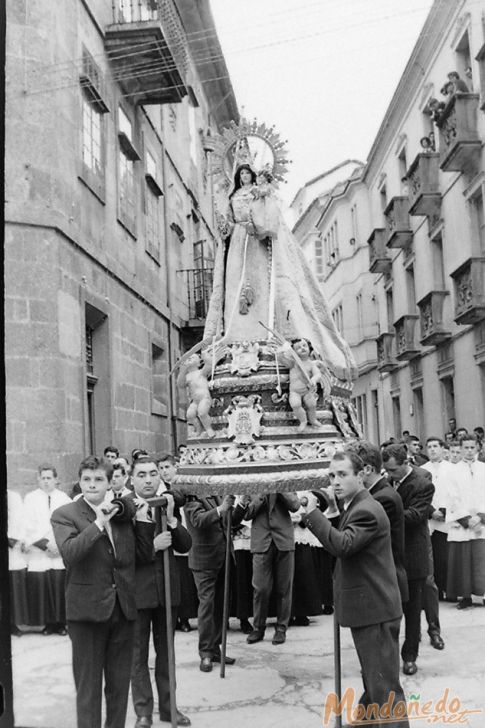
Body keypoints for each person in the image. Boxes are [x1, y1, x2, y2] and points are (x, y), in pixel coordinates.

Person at [204, 163, 356, 382]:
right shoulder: (233, 196)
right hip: (237, 244)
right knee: (236, 287)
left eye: (248, 173)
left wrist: (257, 222)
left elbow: (270, 217)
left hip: (257, 242)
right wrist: (225, 228)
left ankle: (262, 333)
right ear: (238, 177)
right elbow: (227, 223)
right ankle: (237, 335)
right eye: (242, 173)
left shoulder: (260, 193)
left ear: (253, 176)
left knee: (263, 285)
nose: (245, 176)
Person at [300, 451, 408, 728]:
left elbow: (342, 545)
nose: (335, 482)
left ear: (361, 475)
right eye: (332, 475)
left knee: (385, 690)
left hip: (376, 610)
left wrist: (312, 513)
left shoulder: (367, 510)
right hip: (370, 608)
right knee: (375, 681)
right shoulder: (355, 504)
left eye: (342, 475)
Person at [51, 456, 155, 728]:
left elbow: (142, 557)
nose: (92, 485)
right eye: (86, 479)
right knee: (88, 690)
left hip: (123, 610)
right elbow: (70, 554)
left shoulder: (123, 513)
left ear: (110, 483)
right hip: (86, 614)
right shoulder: (65, 514)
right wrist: (98, 523)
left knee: (119, 688)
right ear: (80, 482)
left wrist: (143, 520)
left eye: (99, 479)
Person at [129, 456, 192, 727]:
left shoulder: (167, 503)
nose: (148, 479)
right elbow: (120, 554)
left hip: (166, 589)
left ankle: (169, 708)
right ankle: (144, 711)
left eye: (153, 474)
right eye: (141, 475)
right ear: (132, 479)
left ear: (160, 477)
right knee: (138, 654)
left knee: (167, 653)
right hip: (138, 592)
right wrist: (152, 546)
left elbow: (185, 545)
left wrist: (172, 521)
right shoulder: (126, 508)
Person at [382, 445, 434, 675]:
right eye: (387, 470)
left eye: (393, 470)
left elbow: (415, 516)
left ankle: (410, 655)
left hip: (413, 556)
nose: (389, 474)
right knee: (391, 609)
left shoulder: (423, 483)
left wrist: (382, 514)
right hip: (389, 556)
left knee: (413, 612)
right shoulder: (387, 480)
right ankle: (388, 655)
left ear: (406, 463)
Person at [184, 493, 246, 672]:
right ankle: (205, 653)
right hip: (204, 560)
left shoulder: (218, 495)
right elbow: (198, 521)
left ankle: (215, 648)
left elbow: (231, 522)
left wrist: (241, 505)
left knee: (220, 606)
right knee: (207, 606)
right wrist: (221, 509)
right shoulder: (192, 496)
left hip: (223, 557)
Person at [243, 491, 301, 645]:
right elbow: (247, 514)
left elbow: (295, 506)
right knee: (260, 588)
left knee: (284, 588)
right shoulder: (252, 484)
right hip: (261, 541)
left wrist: (281, 489)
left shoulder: (284, 479)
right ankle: (258, 628)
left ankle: (281, 629)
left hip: (284, 539)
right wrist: (261, 494)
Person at [355, 442, 408, 604]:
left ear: (368, 470)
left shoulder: (382, 498)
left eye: (347, 472)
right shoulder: (375, 494)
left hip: (381, 581)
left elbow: (351, 541)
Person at [23, 464, 71, 634]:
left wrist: (57, 545)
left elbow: (67, 525)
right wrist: (43, 544)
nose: (45, 481)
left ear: (56, 479)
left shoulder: (64, 498)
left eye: (49, 478)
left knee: (59, 586)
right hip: (39, 550)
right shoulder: (30, 498)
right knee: (44, 587)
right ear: (38, 479)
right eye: (42, 478)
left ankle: (61, 624)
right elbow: (27, 525)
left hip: (58, 548)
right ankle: (48, 624)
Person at [446, 435, 485, 609]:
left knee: (481, 559)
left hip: (482, 523)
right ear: (460, 449)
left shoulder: (483, 469)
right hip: (463, 523)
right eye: (466, 448)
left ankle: (483, 594)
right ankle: (466, 596)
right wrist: (466, 520)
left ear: (478, 448)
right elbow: (452, 498)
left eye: (472, 447)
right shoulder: (453, 472)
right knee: (464, 559)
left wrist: (481, 517)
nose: (469, 451)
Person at [8, 489, 28, 636]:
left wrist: (13, 539)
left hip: (11, 549)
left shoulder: (14, 497)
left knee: (12, 588)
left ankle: (12, 624)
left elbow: (21, 521)